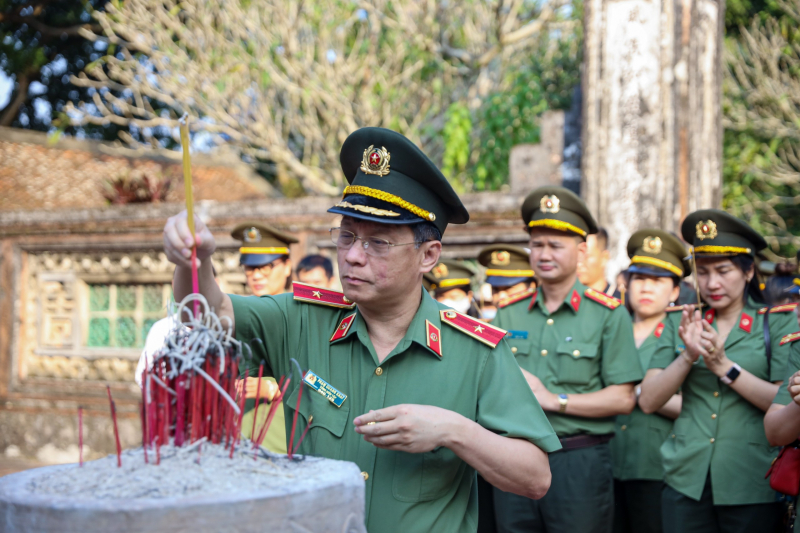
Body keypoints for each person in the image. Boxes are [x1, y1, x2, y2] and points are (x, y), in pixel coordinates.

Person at [163, 127, 560, 533]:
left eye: (378, 243)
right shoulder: (300, 320)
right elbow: (206, 315)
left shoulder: (475, 351)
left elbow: (535, 478)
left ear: (428, 255)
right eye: (347, 236)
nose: (353, 256)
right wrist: (191, 262)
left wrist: (453, 431)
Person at [492, 186, 642, 533]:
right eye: (537, 244)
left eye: (555, 245)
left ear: (582, 251)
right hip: (514, 456)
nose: (544, 254)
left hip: (579, 462)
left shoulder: (608, 315)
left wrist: (553, 400)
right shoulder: (508, 314)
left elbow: (623, 397)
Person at [638, 209, 797, 533]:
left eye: (724, 271)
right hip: (685, 478)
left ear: (749, 271)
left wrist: (726, 368)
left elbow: (782, 402)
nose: (712, 283)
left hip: (751, 481)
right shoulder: (680, 320)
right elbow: (649, 400)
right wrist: (687, 357)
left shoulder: (779, 321)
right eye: (703, 271)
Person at [611, 230, 687, 533]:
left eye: (657, 281)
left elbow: (699, 403)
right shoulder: (612, 328)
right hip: (609, 461)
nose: (646, 288)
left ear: (675, 291)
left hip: (660, 467)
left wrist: (643, 392)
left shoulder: (685, 333)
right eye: (640, 278)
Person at [232, 222, 298, 454]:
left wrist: (272, 388)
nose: (257, 275)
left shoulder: (304, 316)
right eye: (250, 268)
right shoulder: (238, 318)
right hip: (239, 442)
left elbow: (327, 382)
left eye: (267, 266)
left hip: (283, 444)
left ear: (287, 266)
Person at [578, 227, 618, 297]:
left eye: (586, 256)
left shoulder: (622, 303)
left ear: (604, 258)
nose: (578, 264)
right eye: (576, 256)